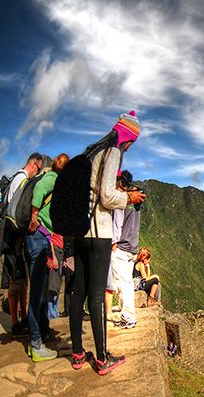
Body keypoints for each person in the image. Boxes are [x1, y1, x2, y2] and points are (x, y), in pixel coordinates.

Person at [68, 111, 146, 375]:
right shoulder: (112, 152)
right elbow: (106, 196)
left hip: (79, 231)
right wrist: (130, 199)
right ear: (129, 139)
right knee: (98, 294)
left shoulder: (92, 153)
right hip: (98, 231)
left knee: (78, 292)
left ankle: (78, 353)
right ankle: (102, 358)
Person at [24, 153, 69, 361]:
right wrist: (34, 217)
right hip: (37, 238)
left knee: (40, 292)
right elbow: (39, 194)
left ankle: (41, 334)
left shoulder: (55, 180)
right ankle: (36, 344)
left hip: (43, 238)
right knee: (36, 295)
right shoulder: (51, 179)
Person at [2, 153, 45, 336]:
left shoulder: (19, 178)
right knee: (15, 282)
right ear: (34, 164)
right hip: (13, 238)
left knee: (22, 281)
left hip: (17, 238)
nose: (38, 172)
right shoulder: (20, 180)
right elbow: (14, 211)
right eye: (39, 168)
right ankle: (14, 322)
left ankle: (24, 317)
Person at [109, 170, 142, 329]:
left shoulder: (122, 200)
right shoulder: (137, 201)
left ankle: (128, 318)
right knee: (127, 282)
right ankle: (128, 316)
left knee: (123, 284)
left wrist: (113, 243)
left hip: (121, 247)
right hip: (133, 248)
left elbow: (117, 223)